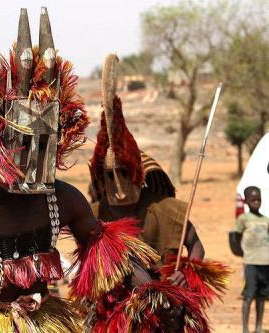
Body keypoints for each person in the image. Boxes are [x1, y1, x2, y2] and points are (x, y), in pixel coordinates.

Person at [0, 8, 210, 333]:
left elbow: (114, 260)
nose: (34, 157)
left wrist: (158, 294)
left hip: (43, 320)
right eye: (25, 143)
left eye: (45, 144)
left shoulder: (63, 198)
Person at [87, 54, 230, 331]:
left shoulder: (165, 209)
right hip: (113, 314)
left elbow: (195, 244)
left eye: (125, 173)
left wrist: (185, 272)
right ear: (101, 181)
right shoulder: (93, 215)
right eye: (110, 176)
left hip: (165, 313)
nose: (118, 185)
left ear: (139, 174)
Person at [234, 186, 269, 333]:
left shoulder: (266, 219)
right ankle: (245, 328)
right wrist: (244, 254)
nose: (256, 202)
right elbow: (236, 237)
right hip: (251, 263)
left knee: (262, 296)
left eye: (259, 199)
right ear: (247, 201)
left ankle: (259, 327)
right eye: (253, 200)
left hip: (265, 263)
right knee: (249, 295)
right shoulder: (243, 219)